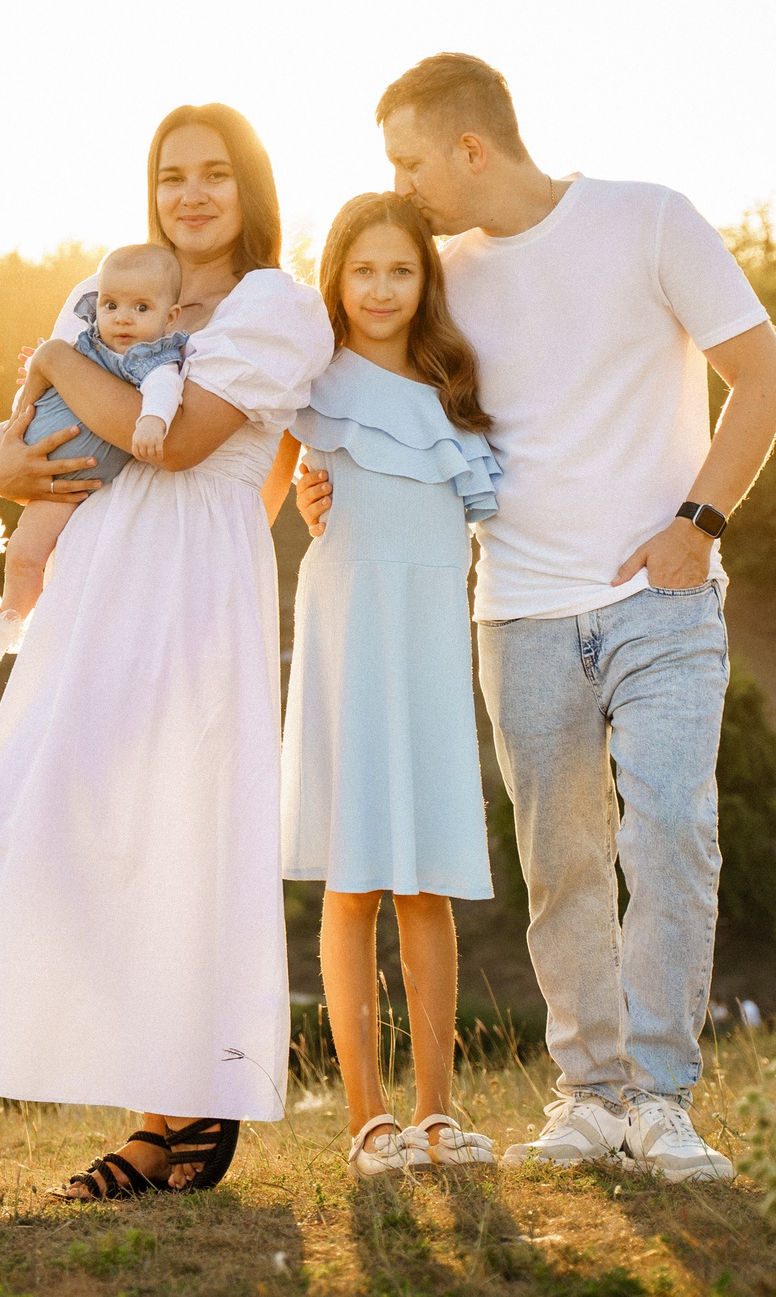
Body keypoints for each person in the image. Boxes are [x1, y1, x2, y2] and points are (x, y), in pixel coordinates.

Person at [298, 54, 776, 1183]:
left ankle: (659, 1099)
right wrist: (320, 472)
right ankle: (587, 1097)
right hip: (514, 607)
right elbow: (365, 374)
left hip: (657, 595)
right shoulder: (440, 272)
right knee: (559, 860)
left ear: (470, 149)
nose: (401, 182)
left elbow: (764, 378)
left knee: (670, 832)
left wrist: (700, 522)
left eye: (408, 160)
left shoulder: (650, 220)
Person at [0, 103, 333, 1200]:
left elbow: (176, 444)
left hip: (194, 583)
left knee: (177, 829)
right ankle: (146, 1083)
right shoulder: (107, 290)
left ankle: (181, 1114)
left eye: (214, 176)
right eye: (171, 174)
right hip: (95, 574)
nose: (191, 195)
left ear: (251, 190)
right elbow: (36, 443)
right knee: (61, 826)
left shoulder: (272, 303)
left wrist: (56, 355)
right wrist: (27, 462)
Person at [282, 192, 502, 1176]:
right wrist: (300, 487)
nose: (380, 290)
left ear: (426, 282)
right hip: (344, 619)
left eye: (400, 272)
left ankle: (439, 1113)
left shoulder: (454, 387)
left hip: (425, 628)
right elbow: (267, 479)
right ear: (334, 278)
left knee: (425, 876)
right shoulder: (309, 379)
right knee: (354, 873)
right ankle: (368, 1119)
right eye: (362, 271)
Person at [0, 242, 192, 663]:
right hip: (32, 427)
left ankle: (8, 620)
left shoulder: (153, 361)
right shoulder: (87, 338)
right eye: (110, 305)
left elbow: (164, 391)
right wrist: (23, 406)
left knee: (27, 554)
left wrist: (151, 422)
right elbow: (51, 359)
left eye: (141, 308)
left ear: (170, 316)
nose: (122, 317)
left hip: (70, 479)